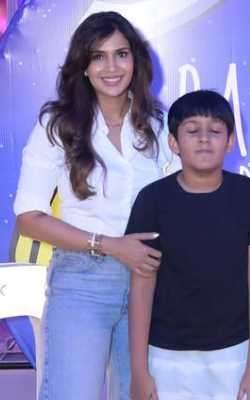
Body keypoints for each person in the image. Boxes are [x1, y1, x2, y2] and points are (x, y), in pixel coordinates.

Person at [13, 11, 176, 400]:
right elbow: (29, 217)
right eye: (98, 56)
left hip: (150, 282)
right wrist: (108, 245)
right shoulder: (58, 125)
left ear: (135, 59)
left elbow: (180, 201)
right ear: (83, 66)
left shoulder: (159, 123)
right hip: (82, 283)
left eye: (121, 54)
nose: (111, 67)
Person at [127, 90, 250, 400]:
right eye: (192, 130)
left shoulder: (249, 195)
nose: (204, 140)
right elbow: (141, 287)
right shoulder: (152, 200)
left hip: (235, 354)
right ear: (173, 142)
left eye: (215, 131)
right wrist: (139, 371)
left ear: (230, 141)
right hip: (166, 356)